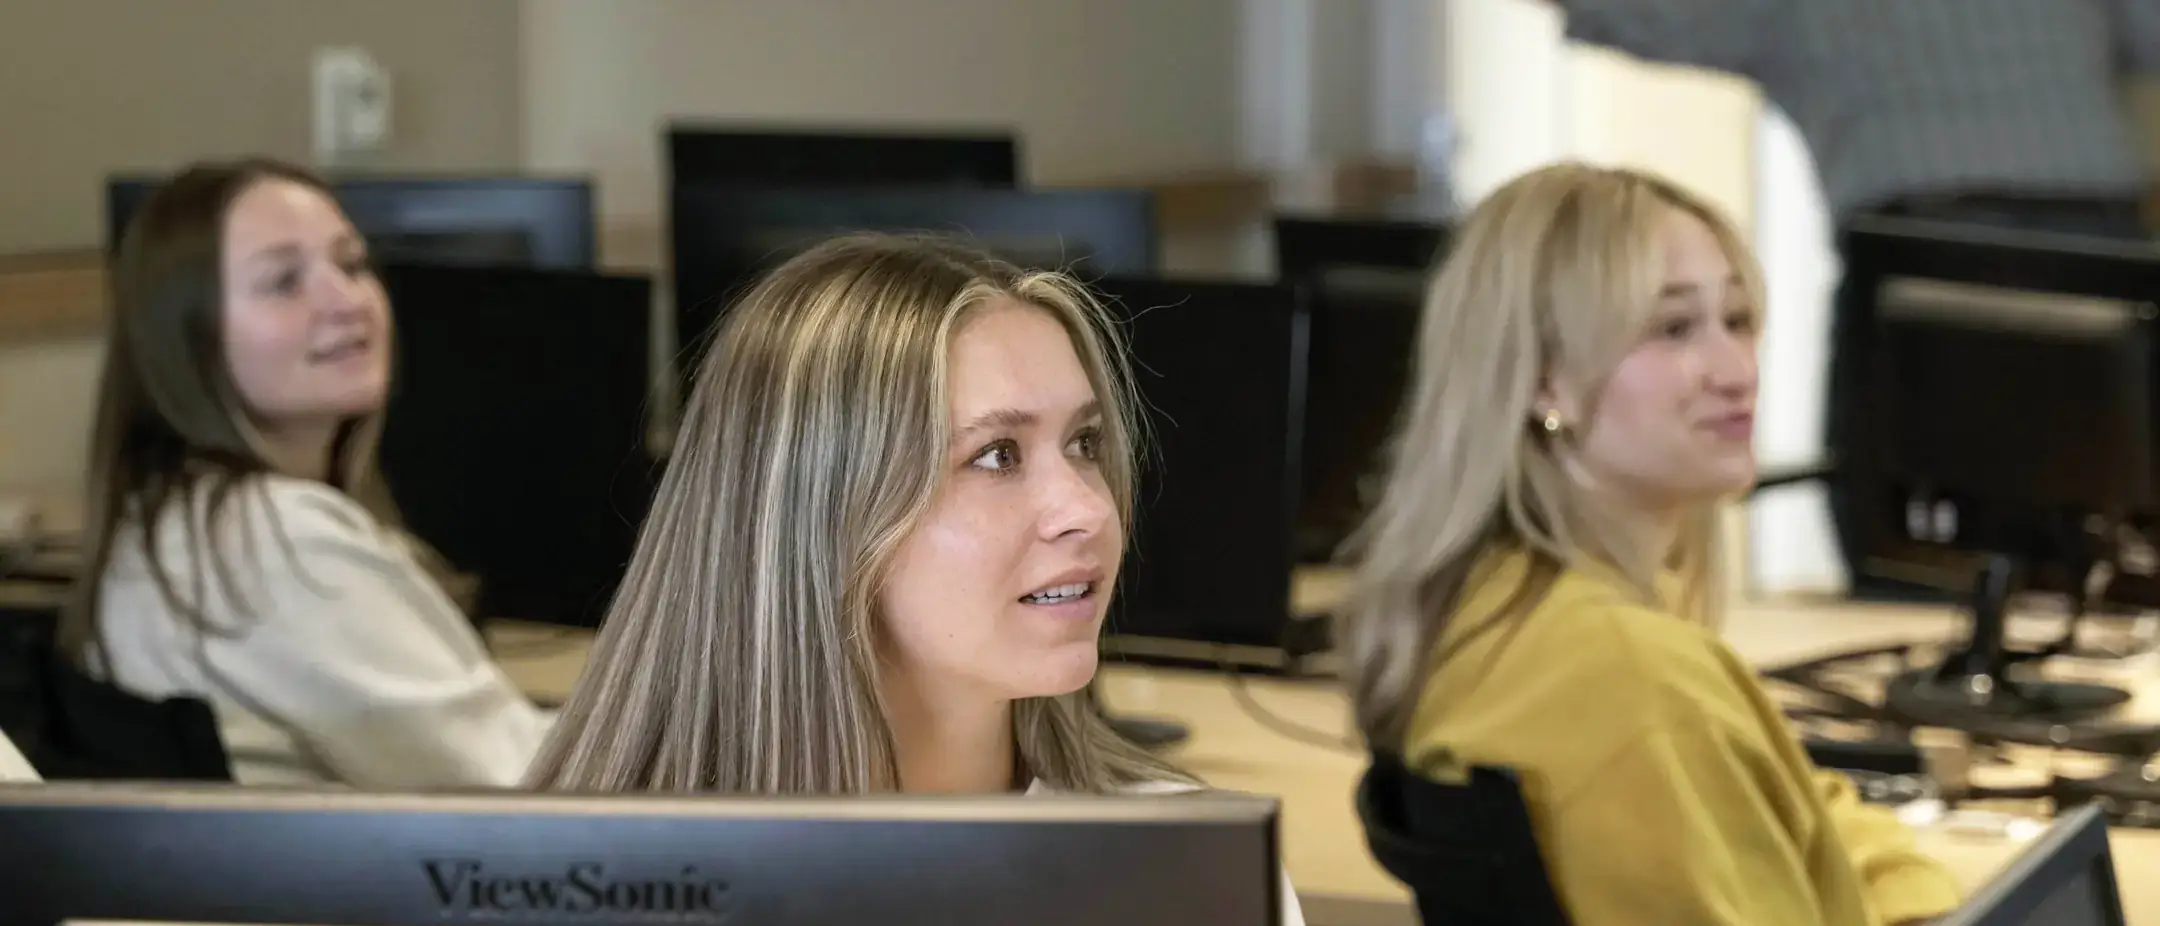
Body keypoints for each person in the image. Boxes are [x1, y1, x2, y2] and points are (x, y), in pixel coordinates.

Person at [525, 234, 1303, 922]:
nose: (1088, 508)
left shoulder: (1194, 875)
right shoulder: (587, 886)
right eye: (997, 455)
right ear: (823, 517)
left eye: (1084, 444)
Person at [1337, 164, 1961, 925]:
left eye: (1738, 320)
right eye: (1673, 329)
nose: (1737, 372)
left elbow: (1802, 805)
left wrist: (1914, 897)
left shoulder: (1492, 609)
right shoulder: (1635, 679)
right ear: (1545, 381)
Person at [1547, 0, 2160, 597]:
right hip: (2101, 242)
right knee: (2112, 529)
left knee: (1908, 547)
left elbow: (1640, 14)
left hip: (1928, 250)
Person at [59, 157, 549, 789]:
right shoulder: (273, 542)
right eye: (284, 282)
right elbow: (523, 778)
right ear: (188, 338)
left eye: (352, 264)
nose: (348, 301)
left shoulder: (176, 517)